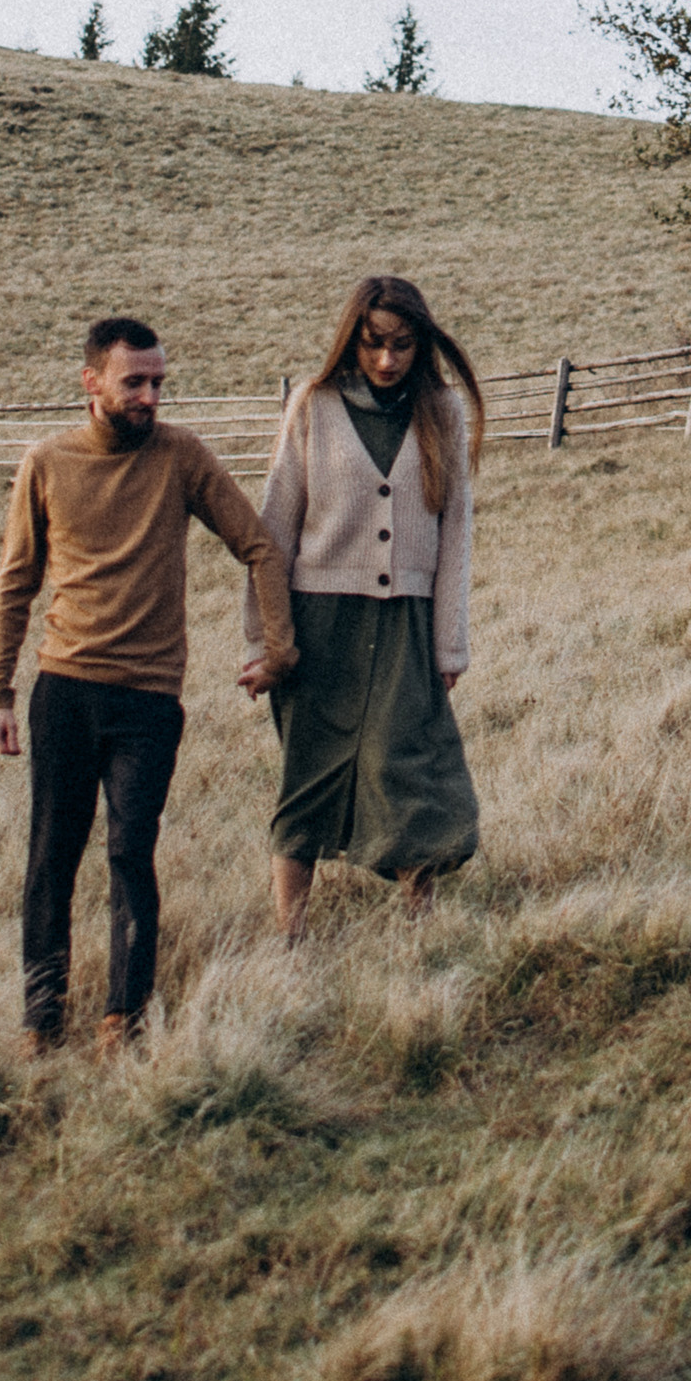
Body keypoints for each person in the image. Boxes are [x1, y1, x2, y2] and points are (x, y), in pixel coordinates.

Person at [0, 315, 297, 1056]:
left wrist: (276, 649)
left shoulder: (181, 455)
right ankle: (40, 1018)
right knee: (51, 858)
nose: (150, 396)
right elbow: (15, 583)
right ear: (91, 384)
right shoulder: (47, 462)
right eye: (135, 382)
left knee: (131, 851)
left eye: (159, 382)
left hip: (150, 699)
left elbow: (258, 547)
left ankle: (123, 1015)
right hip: (64, 688)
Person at [242, 273, 483, 942]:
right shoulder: (311, 405)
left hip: (405, 624)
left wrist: (448, 644)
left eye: (402, 345)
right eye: (373, 344)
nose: (385, 360)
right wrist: (264, 640)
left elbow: (455, 532)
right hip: (318, 626)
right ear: (351, 339)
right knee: (309, 772)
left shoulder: (442, 411)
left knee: (404, 765)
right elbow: (274, 529)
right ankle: (290, 935)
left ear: (420, 344)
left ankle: (418, 924)